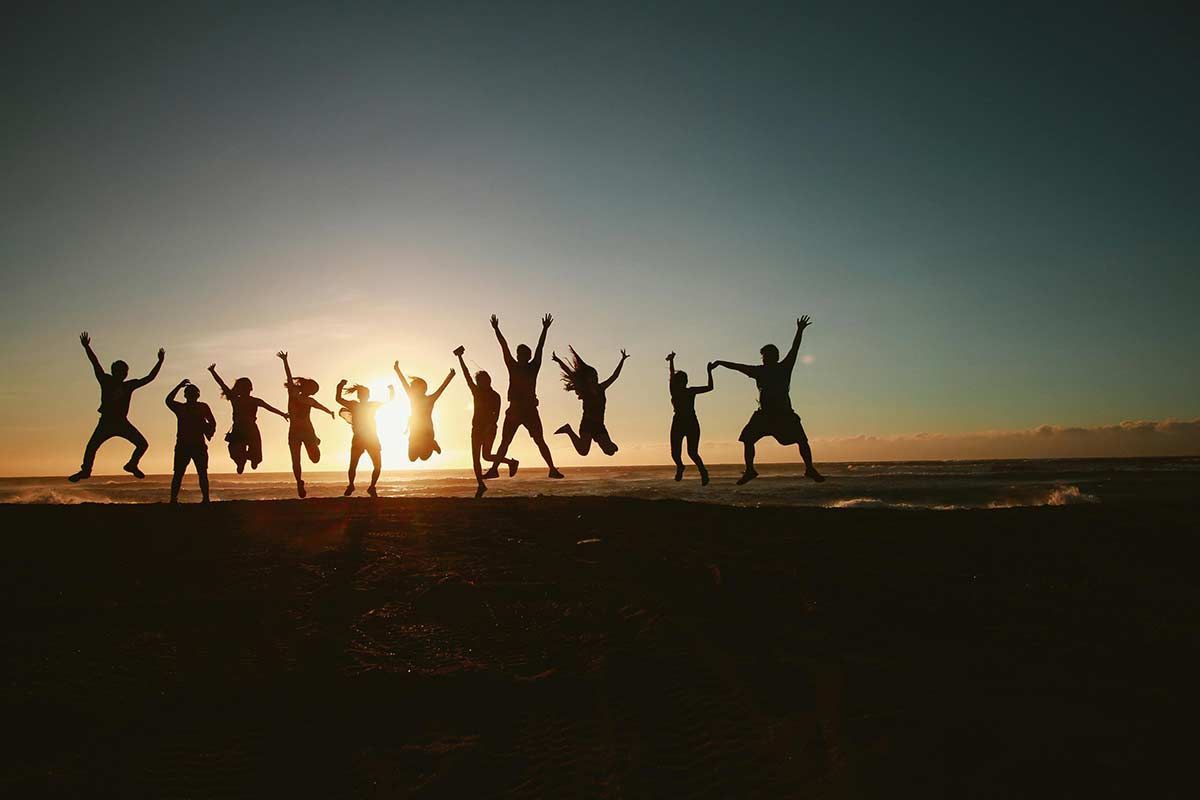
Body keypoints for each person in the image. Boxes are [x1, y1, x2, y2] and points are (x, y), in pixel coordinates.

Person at [712, 315, 824, 485]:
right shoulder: (762, 370)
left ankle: (809, 468)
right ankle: (750, 470)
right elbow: (738, 367)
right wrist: (721, 362)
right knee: (748, 439)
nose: (764, 358)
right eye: (764, 356)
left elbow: (794, 349)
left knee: (801, 440)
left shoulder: (781, 368)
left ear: (772, 356)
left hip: (783, 414)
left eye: (765, 355)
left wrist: (799, 331)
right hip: (765, 415)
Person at [69, 332, 164, 482]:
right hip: (106, 422)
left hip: (121, 422)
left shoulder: (128, 385)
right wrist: (87, 347)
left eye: (124, 371)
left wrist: (160, 362)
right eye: (120, 371)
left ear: (126, 373)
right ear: (114, 371)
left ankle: (132, 464)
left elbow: (149, 378)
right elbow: (95, 363)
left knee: (142, 444)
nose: (122, 374)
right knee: (91, 447)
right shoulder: (106, 380)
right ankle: (86, 470)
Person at [484, 314, 564, 479]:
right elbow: (503, 346)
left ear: (527, 356)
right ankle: (494, 469)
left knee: (539, 440)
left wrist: (545, 329)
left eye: (524, 354)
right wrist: (497, 329)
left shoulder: (533, 367)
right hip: (514, 409)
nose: (521, 356)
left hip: (529, 410)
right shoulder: (512, 366)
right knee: (505, 442)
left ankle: (552, 469)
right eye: (520, 354)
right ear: (518, 355)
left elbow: (540, 348)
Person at [454, 345, 518, 498]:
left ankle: (510, 463)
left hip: (489, 429)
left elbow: (496, 415)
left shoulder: (495, 395)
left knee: (487, 456)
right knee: (478, 458)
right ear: (479, 382)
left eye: (487, 379)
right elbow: (467, 376)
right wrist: (460, 358)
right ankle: (481, 485)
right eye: (482, 380)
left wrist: (489, 427)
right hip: (476, 429)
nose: (485, 382)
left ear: (489, 380)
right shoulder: (476, 392)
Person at [207, 364, 288, 473]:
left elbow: (270, 408)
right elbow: (222, 384)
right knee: (236, 452)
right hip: (240, 429)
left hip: (249, 429)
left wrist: (283, 414)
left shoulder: (252, 400)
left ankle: (249, 460)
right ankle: (242, 462)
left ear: (250, 388)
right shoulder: (236, 399)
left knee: (255, 455)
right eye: (243, 387)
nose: (246, 390)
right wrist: (213, 372)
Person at [277, 351, 335, 498]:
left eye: (314, 392)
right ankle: (299, 483)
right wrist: (285, 361)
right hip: (294, 433)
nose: (312, 393)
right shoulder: (293, 394)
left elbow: (320, 406)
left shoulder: (310, 401)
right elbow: (289, 378)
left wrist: (329, 412)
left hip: (308, 431)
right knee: (295, 460)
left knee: (315, 459)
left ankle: (315, 441)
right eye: (312, 390)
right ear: (306, 388)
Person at [552, 347, 628, 456]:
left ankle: (608, 444)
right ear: (587, 379)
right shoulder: (584, 389)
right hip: (587, 423)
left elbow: (614, 376)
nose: (595, 378)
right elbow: (569, 372)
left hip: (599, 425)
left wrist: (622, 360)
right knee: (583, 452)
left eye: (596, 376)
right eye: (592, 376)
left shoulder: (601, 387)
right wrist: (558, 360)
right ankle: (568, 430)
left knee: (610, 452)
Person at [336, 380, 393, 497]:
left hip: (371, 438)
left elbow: (389, 401)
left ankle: (371, 487)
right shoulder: (354, 405)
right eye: (362, 394)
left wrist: (391, 391)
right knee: (354, 465)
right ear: (359, 396)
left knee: (376, 465)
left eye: (365, 394)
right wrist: (340, 386)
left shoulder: (370, 405)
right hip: (361, 438)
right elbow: (338, 399)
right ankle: (352, 485)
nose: (364, 396)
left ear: (367, 395)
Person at [666, 352, 714, 484]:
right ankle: (680, 466)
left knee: (692, 452)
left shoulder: (690, 391)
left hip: (691, 422)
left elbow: (710, 387)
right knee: (675, 453)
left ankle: (703, 472)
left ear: (686, 381)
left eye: (683, 380)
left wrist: (709, 372)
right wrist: (671, 361)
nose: (682, 382)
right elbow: (671, 375)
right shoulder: (674, 390)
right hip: (679, 422)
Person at [165, 379, 216, 503]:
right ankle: (175, 499)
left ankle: (203, 499)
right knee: (186, 473)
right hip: (187, 445)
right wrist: (179, 386)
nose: (192, 396)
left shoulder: (198, 407)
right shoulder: (183, 408)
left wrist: (207, 430)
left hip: (194, 445)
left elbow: (212, 423)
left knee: (194, 473)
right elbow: (168, 401)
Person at [393, 361, 455, 462]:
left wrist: (450, 376)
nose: (411, 389)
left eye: (413, 387)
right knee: (412, 458)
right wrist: (397, 370)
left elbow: (441, 388)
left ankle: (432, 444)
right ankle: (429, 444)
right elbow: (404, 383)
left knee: (424, 457)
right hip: (415, 430)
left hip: (427, 433)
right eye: (412, 388)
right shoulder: (413, 398)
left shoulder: (430, 399)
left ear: (422, 389)